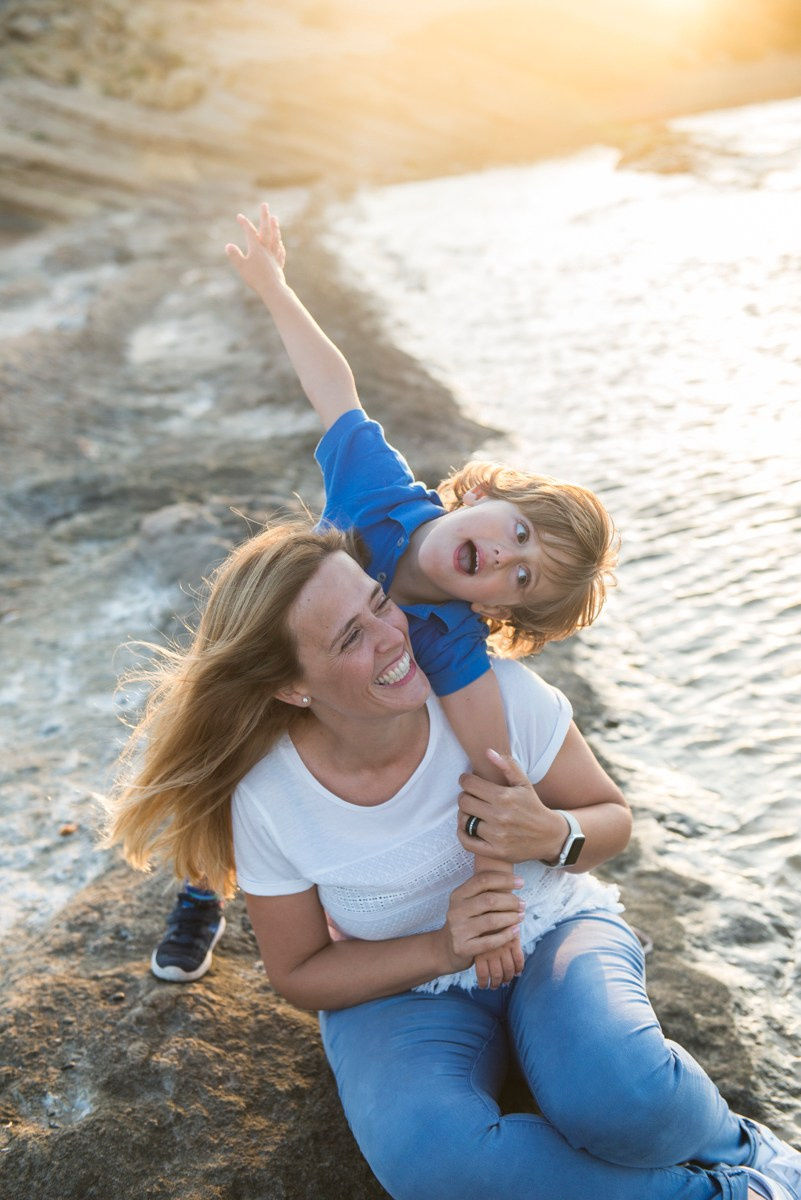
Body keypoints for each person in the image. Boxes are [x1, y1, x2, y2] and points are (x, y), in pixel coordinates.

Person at [106, 522, 801, 1200]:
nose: (391, 637)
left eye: (378, 602)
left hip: (550, 929)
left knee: (620, 1094)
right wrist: (445, 945)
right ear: (292, 686)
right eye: (351, 637)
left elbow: (611, 821)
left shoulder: (489, 696)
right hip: (395, 988)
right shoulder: (268, 795)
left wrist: (548, 834)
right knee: (433, 1163)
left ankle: (738, 1146)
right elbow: (299, 972)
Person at [150, 200, 620, 985]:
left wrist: (495, 884)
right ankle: (200, 889)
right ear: (478, 493)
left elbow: (496, 768)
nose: (507, 556)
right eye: (520, 531)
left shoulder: (451, 639)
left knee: (277, 773)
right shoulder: (381, 491)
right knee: (215, 752)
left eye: (523, 578)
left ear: (500, 611)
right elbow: (335, 386)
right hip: (270, 638)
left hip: (334, 697)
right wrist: (273, 286)